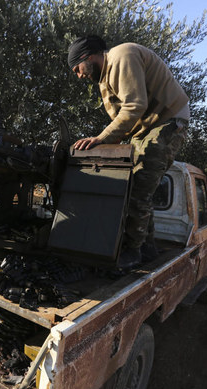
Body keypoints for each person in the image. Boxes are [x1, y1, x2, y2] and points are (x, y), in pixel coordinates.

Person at [67, 35, 190, 269]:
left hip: (168, 121)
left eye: (77, 69)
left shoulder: (122, 56)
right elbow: (122, 119)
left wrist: (100, 139)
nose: (79, 75)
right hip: (147, 127)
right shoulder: (104, 79)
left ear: (89, 57)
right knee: (137, 185)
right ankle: (147, 247)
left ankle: (133, 252)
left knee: (139, 186)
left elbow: (135, 106)